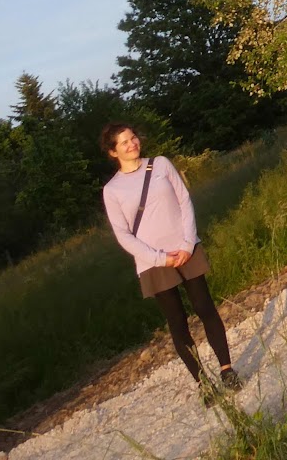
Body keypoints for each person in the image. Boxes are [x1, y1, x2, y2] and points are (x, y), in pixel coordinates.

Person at [100, 122, 241, 400]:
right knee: (177, 321)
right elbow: (123, 236)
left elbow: (184, 201)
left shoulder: (161, 165)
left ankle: (227, 370)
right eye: (125, 142)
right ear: (113, 152)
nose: (133, 144)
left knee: (205, 307)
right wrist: (160, 259)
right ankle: (204, 385)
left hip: (185, 247)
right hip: (153, 261)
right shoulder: (112, 190)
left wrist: (188, 243)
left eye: (134, 137)